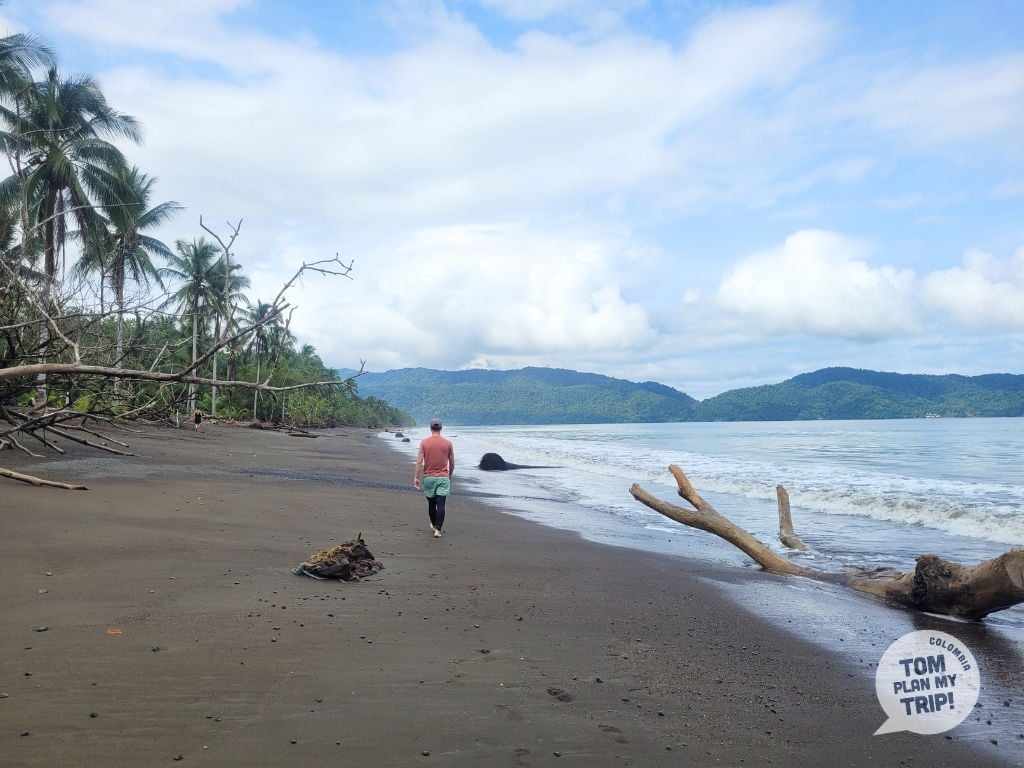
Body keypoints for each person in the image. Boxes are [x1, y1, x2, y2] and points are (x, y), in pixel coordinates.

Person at [413, 418, 454, 538]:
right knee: (441, 504)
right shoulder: (448, 443)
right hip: (443, 478)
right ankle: (438, 530)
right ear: (440, 428)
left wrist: (416, 477)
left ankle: (434, 524)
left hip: (429, 477)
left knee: (431, 504)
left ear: (431, 428)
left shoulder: (424, 443)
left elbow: (419, 461)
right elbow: (451, 463)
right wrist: (449, 475)